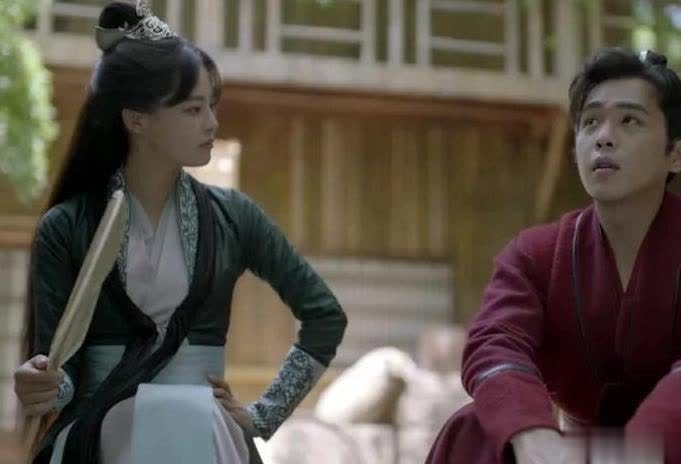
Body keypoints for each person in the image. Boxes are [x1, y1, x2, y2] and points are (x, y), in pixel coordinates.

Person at [12, 2, 347, 463]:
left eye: (212, 105)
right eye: (192, 109)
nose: (211, 122)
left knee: (194, 419)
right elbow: (63, 372)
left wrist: (264, 414)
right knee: (170, 421)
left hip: (208, 430)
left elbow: (326, 316)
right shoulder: (68, 226)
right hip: (106, 431)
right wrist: (44, 384)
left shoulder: (234, 217)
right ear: (136, 119)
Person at [426, 48, 681, 464]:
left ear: (675, 153)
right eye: (591, 122)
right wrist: (531, 435)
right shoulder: (536, 254)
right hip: (565, 454)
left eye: (629, 121)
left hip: (668, 447)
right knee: (473, 428)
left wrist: (638, 449)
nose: (604, 137)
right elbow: (496, 342)